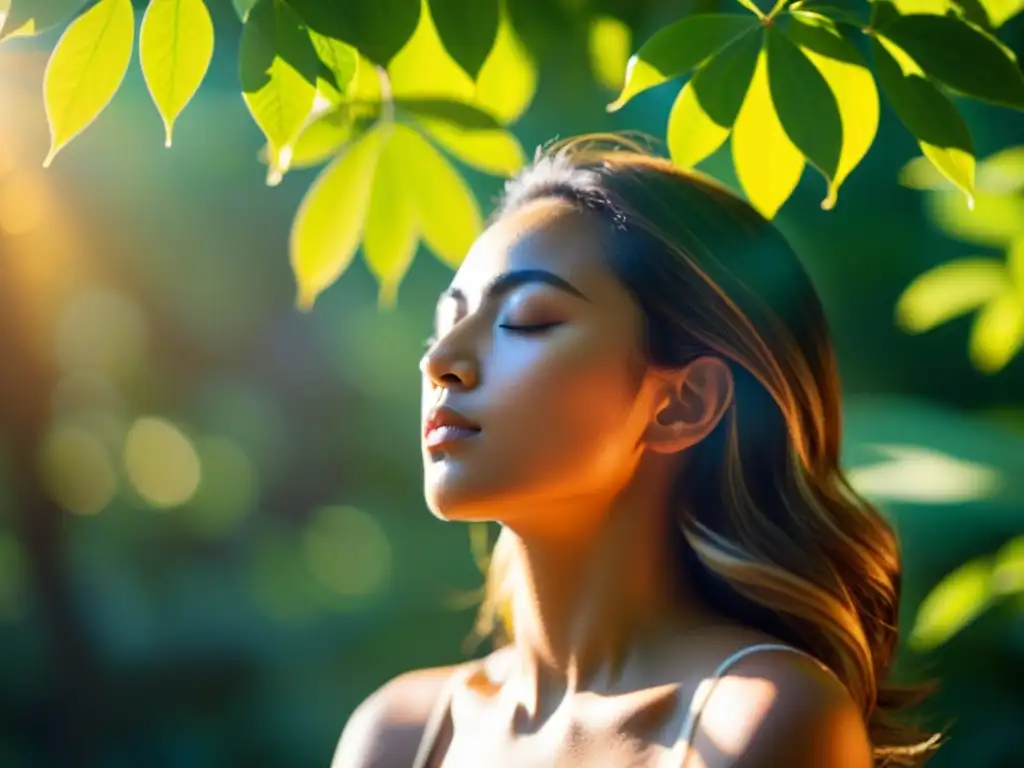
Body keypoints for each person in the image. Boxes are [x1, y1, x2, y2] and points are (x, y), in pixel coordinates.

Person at [332, 135, 940, 767]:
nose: (440, 362)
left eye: (527, 319)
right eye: (445, 323)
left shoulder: (762, 719)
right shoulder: (399, 735)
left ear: (683, 404)